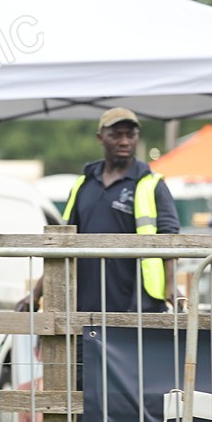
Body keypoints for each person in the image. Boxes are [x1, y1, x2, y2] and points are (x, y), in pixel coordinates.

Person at [30, 107, 181, 313]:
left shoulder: (151, 184)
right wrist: (36, 293)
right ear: (100, 137)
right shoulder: (83, 184)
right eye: (116, 135)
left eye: (131, 135)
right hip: (83, 306)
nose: (125, 141)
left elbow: (170, 239)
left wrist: (172, 287)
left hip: (137, 307)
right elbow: (61, 243)